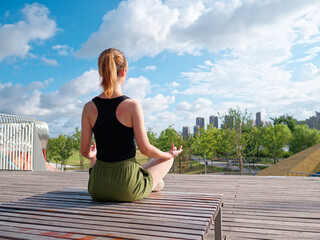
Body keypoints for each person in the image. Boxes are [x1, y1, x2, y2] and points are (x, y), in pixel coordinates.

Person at [80, 48, 183, 202]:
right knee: (167, 160)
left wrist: (92, 155)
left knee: (98, 159)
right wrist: (169, 154)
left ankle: (148, 182)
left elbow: (84, 151)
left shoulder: (88, 107)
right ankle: (150, 183)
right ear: (123, 72)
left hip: (97, 188)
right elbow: (145, 148)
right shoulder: (132, 106)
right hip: (126, 187)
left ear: (101, 72)